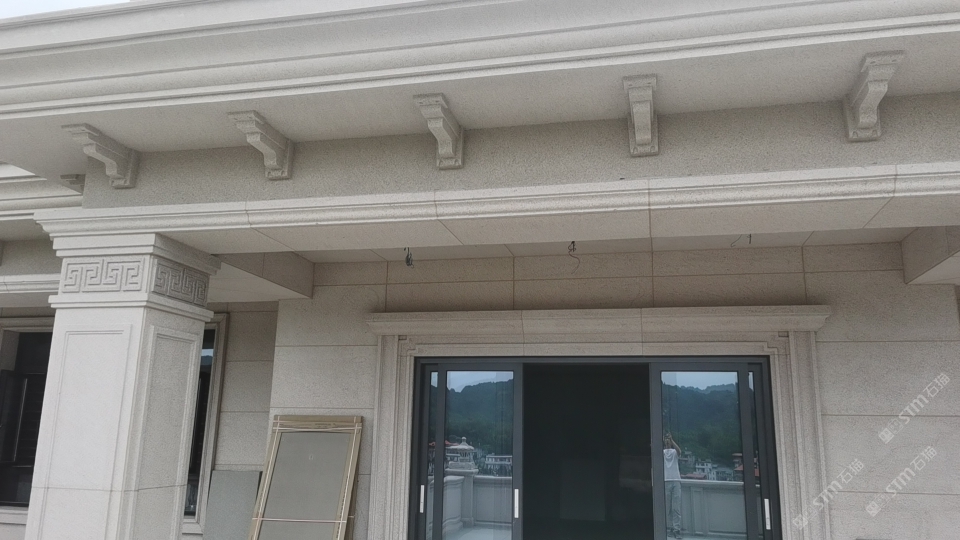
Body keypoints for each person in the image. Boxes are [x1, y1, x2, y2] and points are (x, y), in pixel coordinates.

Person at [663, 433, 682, 540]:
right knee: (668, 507)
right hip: (666, 480)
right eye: (666, 439)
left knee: (676, 507)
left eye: (668, 439)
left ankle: (676, 529)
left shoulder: (674, 452)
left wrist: (672, 440)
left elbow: (679, 451)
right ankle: (669, 528)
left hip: (676, 480)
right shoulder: (662, 452)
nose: (667, 441)